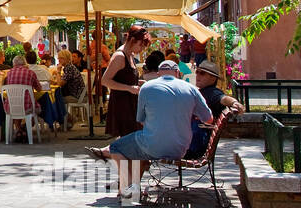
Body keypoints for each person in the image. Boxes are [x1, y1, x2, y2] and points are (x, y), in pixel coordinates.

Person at [86, 60, 212, 200]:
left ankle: (127, 186)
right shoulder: (191, 88)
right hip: (180, 148)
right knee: (138, 146)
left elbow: (141, 120)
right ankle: (132, 185)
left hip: (153, 146)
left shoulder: (147, 88)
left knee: (117, 147)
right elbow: (208, 119)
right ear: (177, 73)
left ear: (158, 74)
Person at [184, 59, 241, 159]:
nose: (198, 75)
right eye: (197, 72)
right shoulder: (203, 92)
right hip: (193, 143)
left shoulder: (213, 93)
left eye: (202, 73)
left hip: (194, 147)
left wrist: (234, 102)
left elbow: (223, 98)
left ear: (213, 78)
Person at [102, 25, 150, 138]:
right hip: (122, 105)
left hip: (131, 103)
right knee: (127, 140)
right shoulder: (119, 56)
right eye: (140, 45)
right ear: (132, 40)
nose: (141, 49)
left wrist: (138, 82)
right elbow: (105, 81)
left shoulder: (130, 55)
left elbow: (126, 77)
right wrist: (129, 88)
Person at [3, 55, 43, 141]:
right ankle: (24, 129)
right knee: (34, 107)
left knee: (17, 105)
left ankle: (18, 130)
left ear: (14, 64)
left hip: (11, 106)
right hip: (27, 107)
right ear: (25, 63)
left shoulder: (9, 73)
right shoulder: (30, 73)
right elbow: (39, 89)